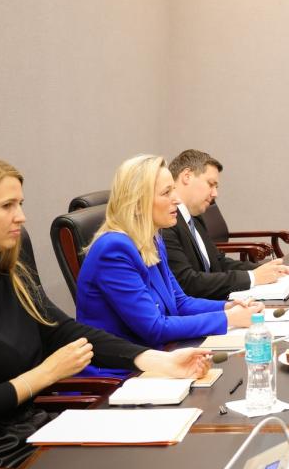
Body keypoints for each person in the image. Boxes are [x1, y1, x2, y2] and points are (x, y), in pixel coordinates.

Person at [0, 157, 211, 469]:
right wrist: (46, 374)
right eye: (7, 206)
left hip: (29, 433)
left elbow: (68, 332)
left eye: (20, 204)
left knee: (155, 452)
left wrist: (158, 361)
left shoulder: (12, 278)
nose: (21, 217)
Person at [75, 155, 262, 375]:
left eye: (174, 189)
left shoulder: (153, 239)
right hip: (120, 375)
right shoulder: (114, 250)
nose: (177, 199)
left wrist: (225, 307)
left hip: (161, 357)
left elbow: (179, 303)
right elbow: (153, 327)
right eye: (166, 193)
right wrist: (227, 319)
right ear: (137, 204)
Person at [162, 149, 289, 300]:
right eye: (211, 184)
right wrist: (253, 277)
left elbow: (218, 262)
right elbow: (187, 283)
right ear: (187, 176)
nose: (215, 194)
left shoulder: (194, 218)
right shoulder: (166, 223)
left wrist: (269, 270)